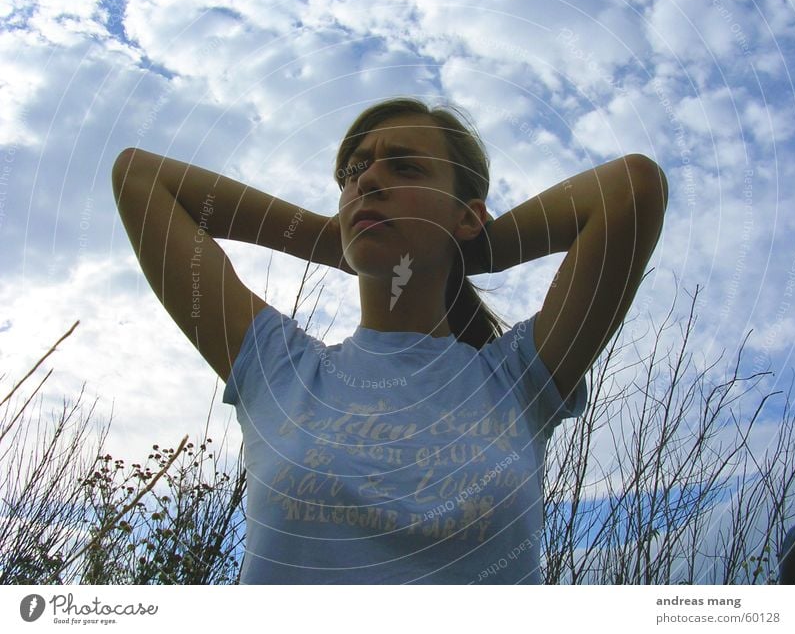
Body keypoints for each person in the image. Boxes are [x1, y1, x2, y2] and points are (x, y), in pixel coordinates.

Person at [112, 97, 668, 584]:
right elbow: (139, 178)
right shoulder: (279, 371)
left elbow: (632, 189)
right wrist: (345, 239)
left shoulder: (519, 379)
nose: (367, 181)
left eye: (404, 167)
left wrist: (474, 247)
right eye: (353, 173)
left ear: (468, 216)